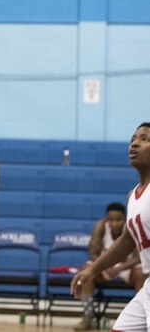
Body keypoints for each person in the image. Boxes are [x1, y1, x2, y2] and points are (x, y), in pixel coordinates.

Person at [72, 123, 150, 332]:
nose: (134, 144)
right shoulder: (133, 196)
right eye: (133, 139)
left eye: (144, 139)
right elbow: (126, 241)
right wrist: (92, 270)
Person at [73, 202, 143, 330]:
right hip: (105, 267)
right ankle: (88, 316)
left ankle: (143, 313)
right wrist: (106, 266)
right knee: (87, 270)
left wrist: (119, 268)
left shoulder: (131, 226)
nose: (114, 223)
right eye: (111, 220)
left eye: (118, 220)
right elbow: (92, 254)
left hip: (125, 267)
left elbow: (139, 257)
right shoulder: (100, 226)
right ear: (106, 219)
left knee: (142, 273)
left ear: (125, 218)